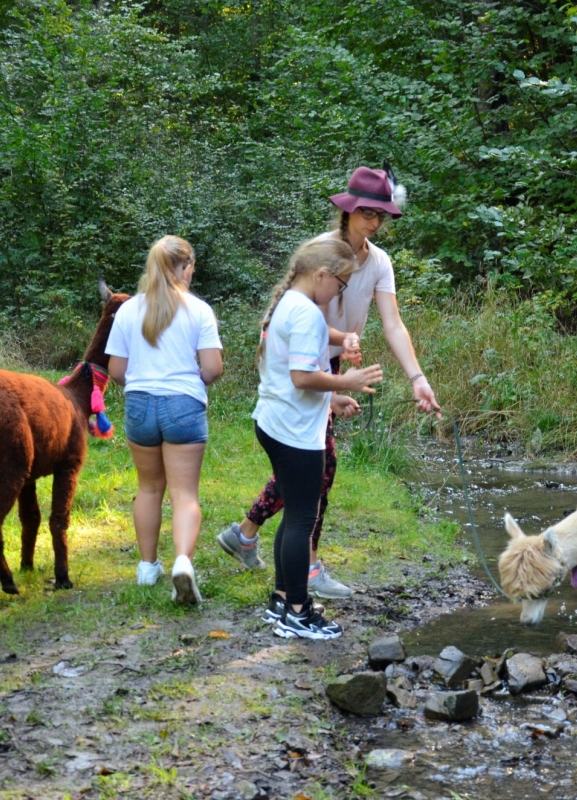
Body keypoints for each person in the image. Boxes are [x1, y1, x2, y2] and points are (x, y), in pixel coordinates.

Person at [217, 164, 440, 600]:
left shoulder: (379, 262)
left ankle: (246, 535)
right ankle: (306, 567)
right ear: (349, 210)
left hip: (328, 368)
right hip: (305, 369)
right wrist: (339, 372)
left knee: (311, 468)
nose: (374, 223)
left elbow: (393, 325)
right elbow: (305, 321)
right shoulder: (324, 255)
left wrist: (418, 377)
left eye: (382, 216)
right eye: (367, 214)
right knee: (317, 468)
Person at [252, 237, 383, 639]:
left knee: (294, 514)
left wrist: (334, 394)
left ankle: (281, 599)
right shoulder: (306, 313)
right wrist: (349, 380)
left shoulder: (289, 303)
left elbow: (300, 373)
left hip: (276, 420)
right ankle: (298, 610)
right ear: (321, 275)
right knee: (302, 521)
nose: (339, 292)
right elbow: (302, 377)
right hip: (294, 432)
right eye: (340, 284)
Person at [106, 235, 223, 605]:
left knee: (149, 488)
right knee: (184, 493)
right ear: (185, 268)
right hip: (183, 405)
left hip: (140, 405)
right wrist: (190, 382)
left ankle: (146, 567)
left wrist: (143, 382)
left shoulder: (127, 311)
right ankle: (183, 563)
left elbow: (116, 370)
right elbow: (213, 368)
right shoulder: (199, 310)